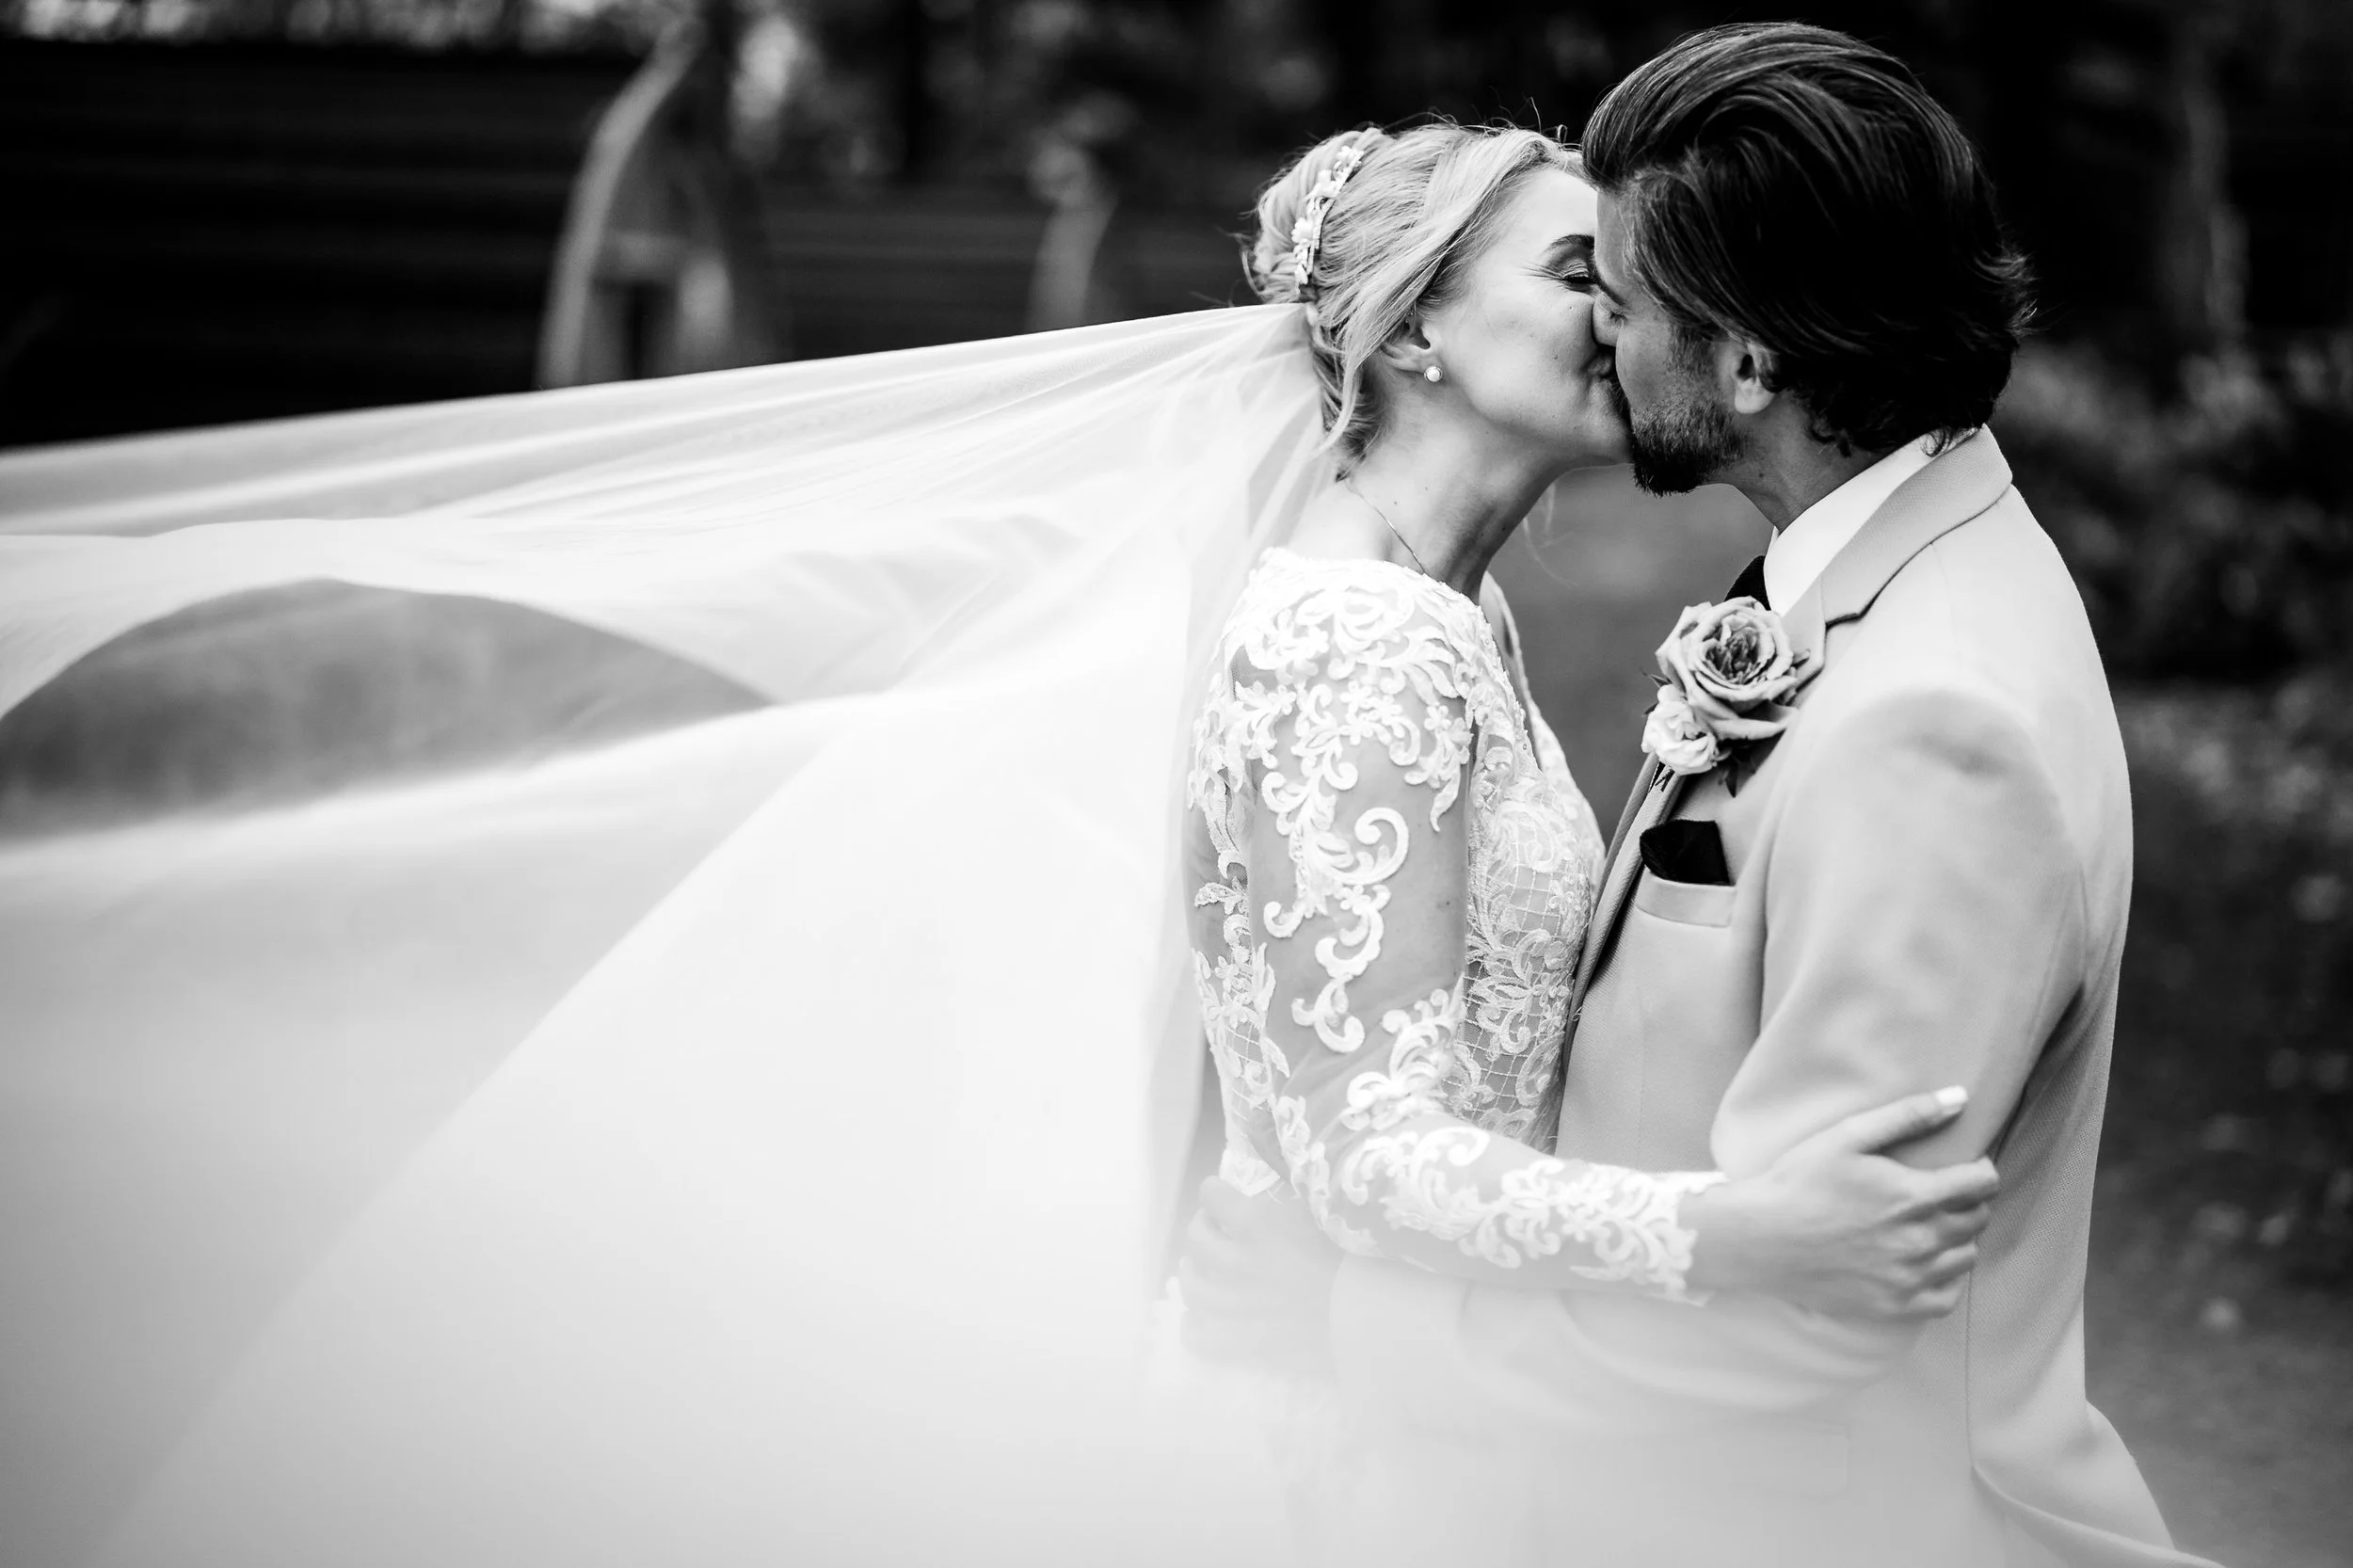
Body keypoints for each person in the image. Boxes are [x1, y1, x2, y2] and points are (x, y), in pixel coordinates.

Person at [1185, 26, 2210, 1568]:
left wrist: (1349, 1324)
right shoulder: (1413, 626)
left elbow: (1810, 1304)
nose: (1608, 327)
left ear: (1747, 361)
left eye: (1628, 290)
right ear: (1417, 338)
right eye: (1576, 278)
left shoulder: (1931, 716)